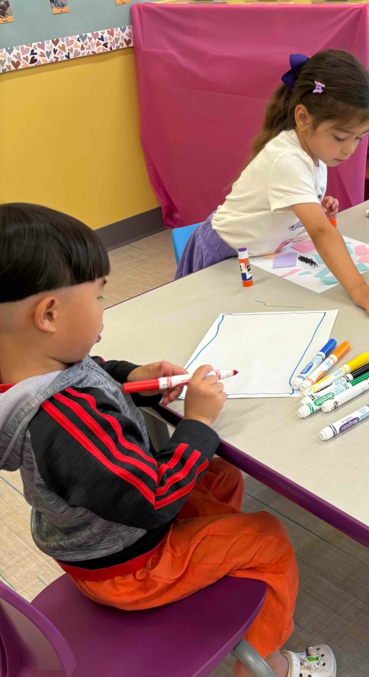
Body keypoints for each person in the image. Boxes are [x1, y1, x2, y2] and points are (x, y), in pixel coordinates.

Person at [0, 203, 337, 677]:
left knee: (217, 473)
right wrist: (196, 422)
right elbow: (154, 498)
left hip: (112, 531)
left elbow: (85, 371)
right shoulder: (62, 420)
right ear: (49, 314)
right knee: (268, 537)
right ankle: (273, 663)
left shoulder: (30, 370)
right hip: (127, 567)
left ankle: (215, 558)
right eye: (99, 296)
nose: (103, 310)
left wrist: (133, 376)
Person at [176, 50, 369, 320]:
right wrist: (359, 287)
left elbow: (289, 200)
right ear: (303, 118)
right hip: (226, 254)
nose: (350, 149)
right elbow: (320, 231)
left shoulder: (314, 150)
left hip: (262, 255)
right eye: (341, 137)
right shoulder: (288, 159)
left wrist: (313, 204)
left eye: (358, 138)